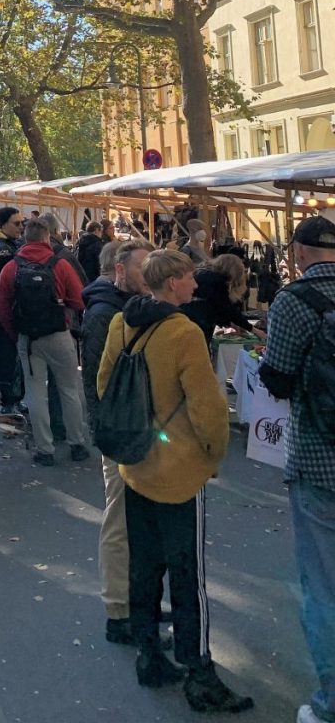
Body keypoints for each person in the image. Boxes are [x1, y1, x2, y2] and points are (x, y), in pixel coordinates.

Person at [97, 250, 252, 713]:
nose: (196, 285)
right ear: (173, 284)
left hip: (136, 463)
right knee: (190, 577)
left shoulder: (122, 323)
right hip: (179, 472)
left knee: (145, 566)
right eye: (188, 277)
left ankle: (149, 653)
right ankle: (199, 671)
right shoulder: (184, 332)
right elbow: (208, 408)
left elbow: (105, 383)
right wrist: (211, 454)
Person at [259, 216, 335, 723]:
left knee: (324, 588)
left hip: (319, 460)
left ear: (299, 251)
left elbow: (278, 380)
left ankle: (330, 703)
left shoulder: (294, 301)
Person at [80, 239, 154, 646]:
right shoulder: (106, 314)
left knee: (132, 519)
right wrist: (108, 433)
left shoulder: (119, 307)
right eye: (145, 268)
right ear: (119, 270)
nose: (151, 276)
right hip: (120, 433)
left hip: (131, 430)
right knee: (120, 518)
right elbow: (99, 382)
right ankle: (118, 610)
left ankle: (131, 601)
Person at [0, 219, 89, 467]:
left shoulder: (10, 268)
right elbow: (80, 300)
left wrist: (17, 335)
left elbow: (2, 308)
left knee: (35, 393)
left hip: (29, 339)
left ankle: (44, 449)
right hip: (59, 335)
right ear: (47, 238)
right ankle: (77, 443)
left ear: (24, 239)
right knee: (69, 390)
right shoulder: (59, 264)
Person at [181, 254, 265, 348]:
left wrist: (229, 323)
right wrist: (254, 330)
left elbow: (217, 305)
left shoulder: (204, 273)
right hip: (198, 324)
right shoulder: (216, 280)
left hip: (187, 319)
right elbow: (227, 308)